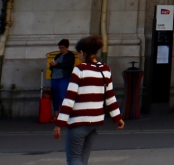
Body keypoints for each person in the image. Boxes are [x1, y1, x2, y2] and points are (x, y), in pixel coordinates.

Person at [52, 35, 124, 165]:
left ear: (82, 53)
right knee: (82, 160)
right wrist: (117, 118)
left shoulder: (80, 70)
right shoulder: (105, 69)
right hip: (95, 122)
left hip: (78, 122)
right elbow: (110, 97)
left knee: (74, 159)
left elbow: (70, 98)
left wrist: (59, 123)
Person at [49, 39, 77, 112]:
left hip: (63, 77)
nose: (61, 49)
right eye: (60, 48)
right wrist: (52, 65)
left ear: (67, 47)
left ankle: (64, 112)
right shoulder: (58, 55)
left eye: (62, 48)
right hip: (54, 77)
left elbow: (69, 65)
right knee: (55, 95)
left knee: (62, 95)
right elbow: (51, 66)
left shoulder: (70, 55)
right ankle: (56, 112)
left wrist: (57, 64)